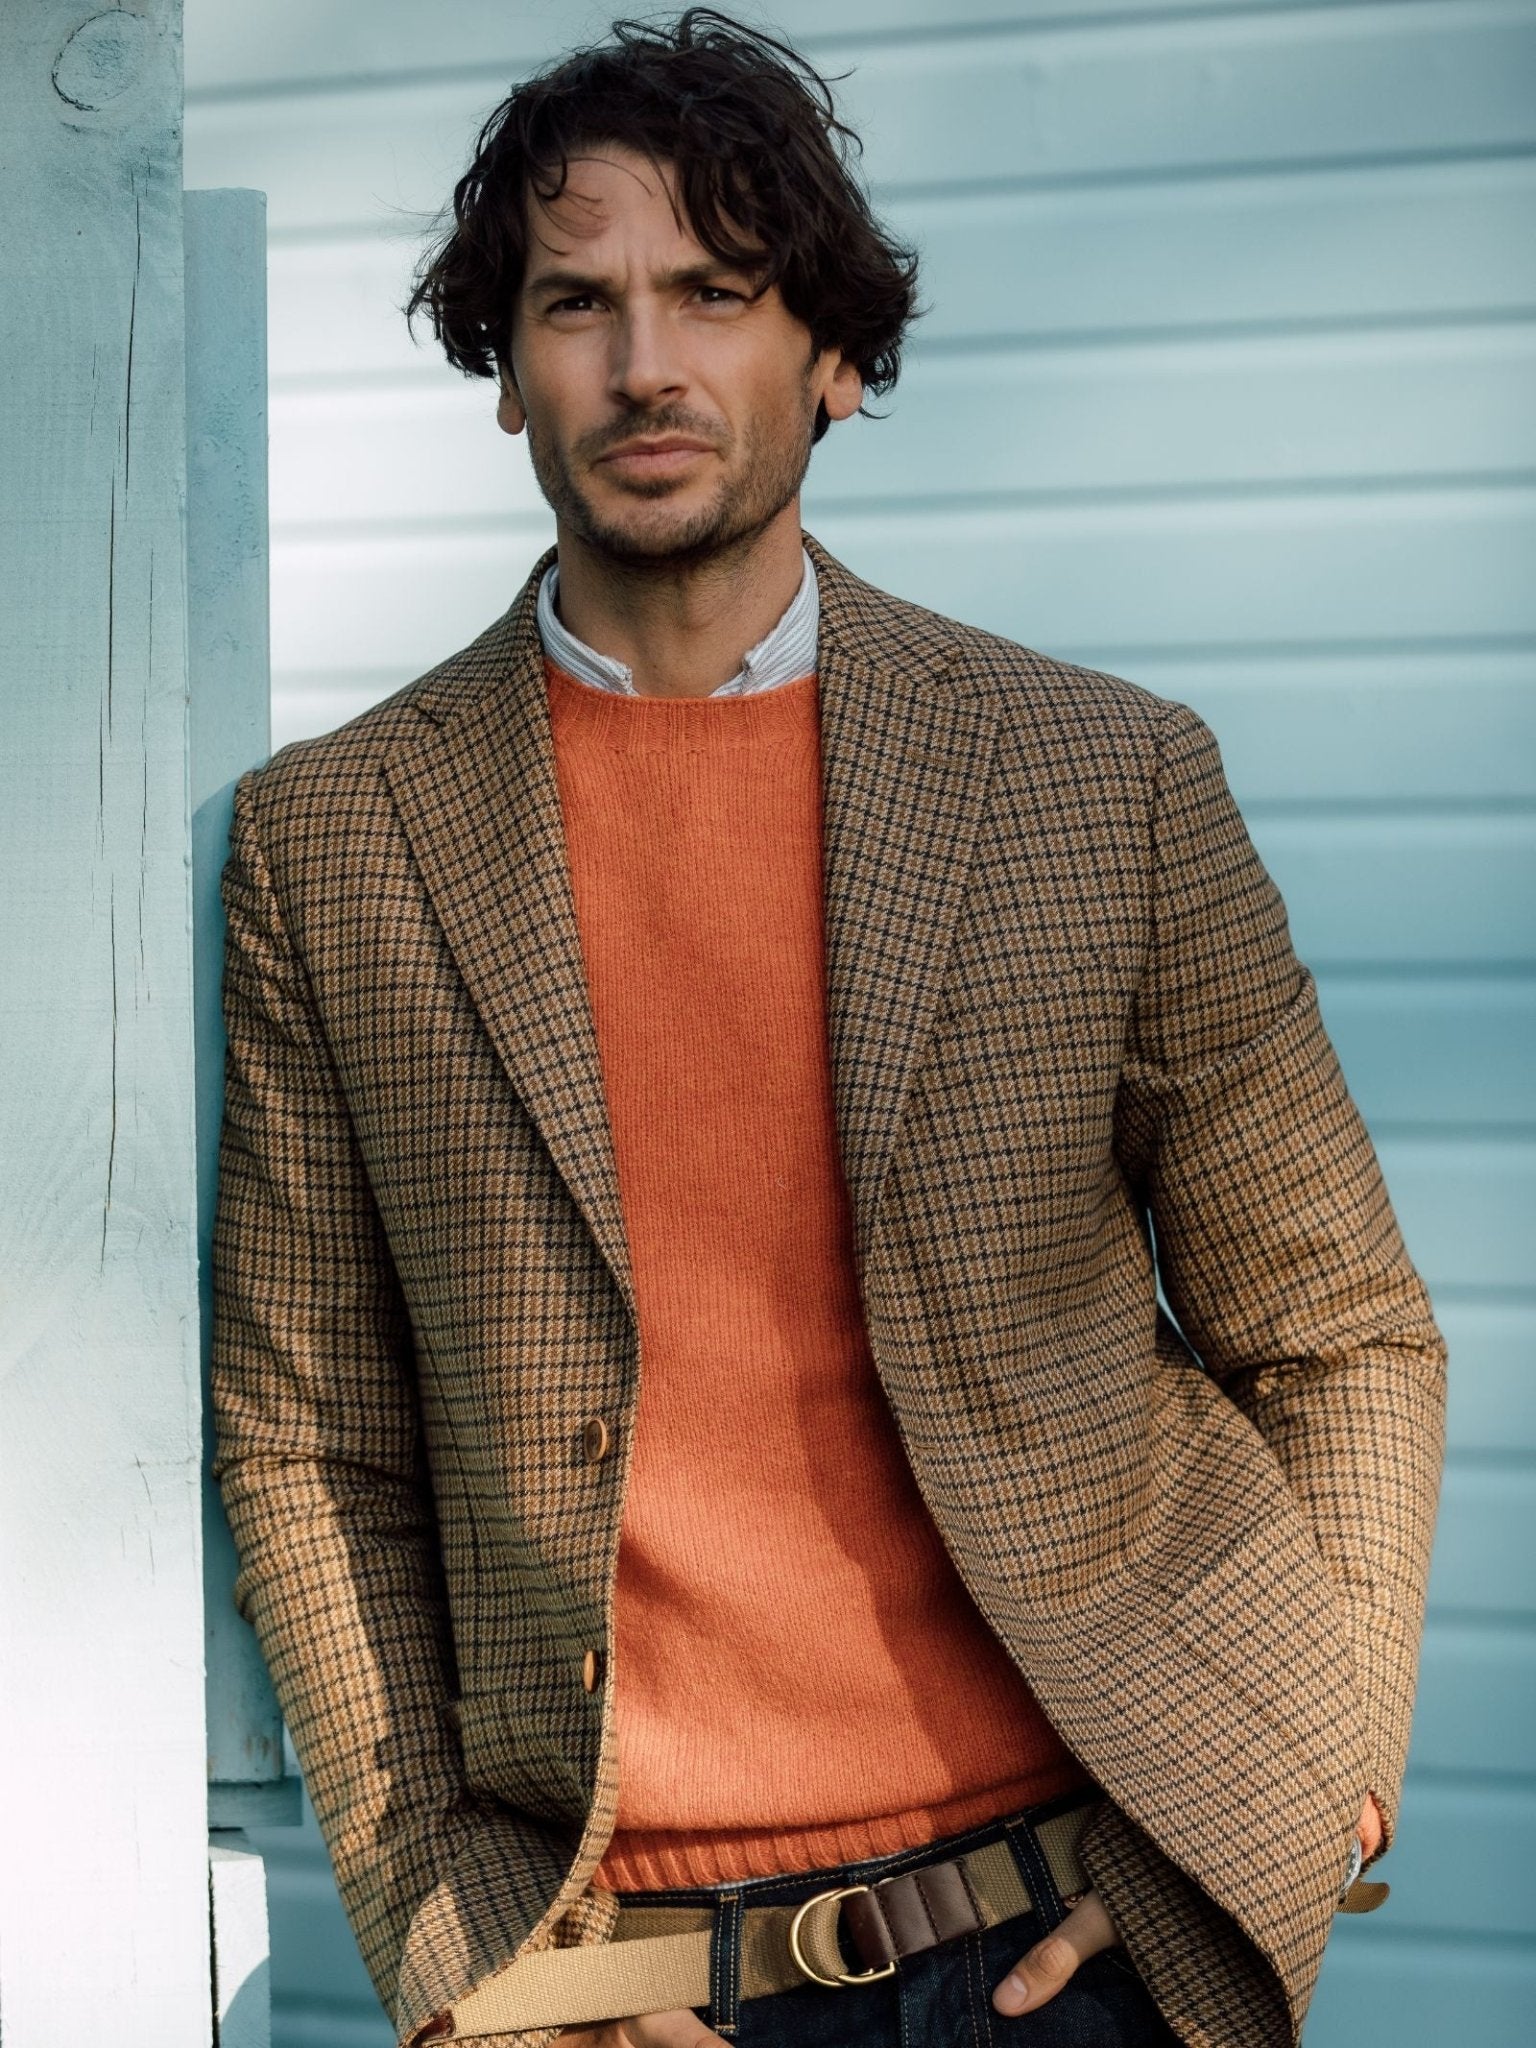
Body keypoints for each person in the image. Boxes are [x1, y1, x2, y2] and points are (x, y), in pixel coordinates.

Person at [209, 12, 1447, 2048]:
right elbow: (313, 1439)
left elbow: (1339, 1333)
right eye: (577, 302)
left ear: (838, 354)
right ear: (505, 371)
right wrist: (471, 1966)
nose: (647, 363)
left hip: (1083, 1932)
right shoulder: (336, 844)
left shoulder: (1099, 778)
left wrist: (1301, 1783)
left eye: (719, 291)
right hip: (616, 1978)